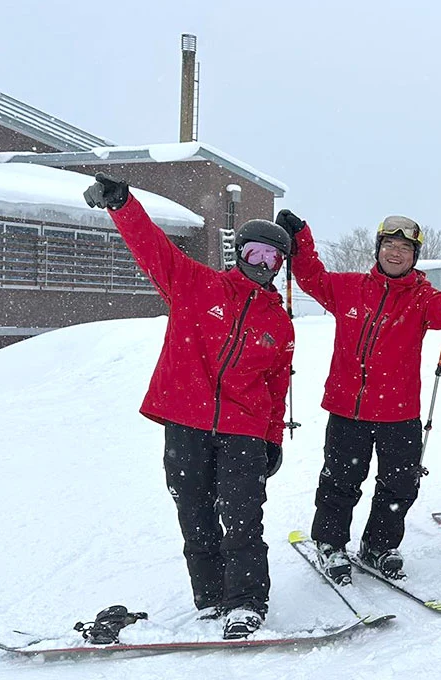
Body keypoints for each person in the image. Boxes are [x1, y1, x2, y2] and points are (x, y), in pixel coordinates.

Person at [83, 174, 294, 640]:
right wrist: (123, 204)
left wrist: (273, 439)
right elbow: (151, 247)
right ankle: (213, 599)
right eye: (253, 252)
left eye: (272, 256)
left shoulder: (279, 322)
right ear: (238, 253)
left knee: (242, 518)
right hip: (186, 422)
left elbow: (277, 386)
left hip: (245, 429)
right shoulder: (195, 285)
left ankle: (246, 604)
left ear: (280, 264)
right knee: (194, 515)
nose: (261, 263)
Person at [278, 210, 441, 583]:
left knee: (399, 485)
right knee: (340, 482)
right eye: (389, 245)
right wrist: (301, 238)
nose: (395, 253)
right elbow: (311, 277)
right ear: (378, 249)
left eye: (404, 247)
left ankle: (379, 545)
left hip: (399, 413)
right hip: (347, 408)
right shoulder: (350, 287)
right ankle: (331, 544)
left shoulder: (422, 298)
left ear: (414, 256)